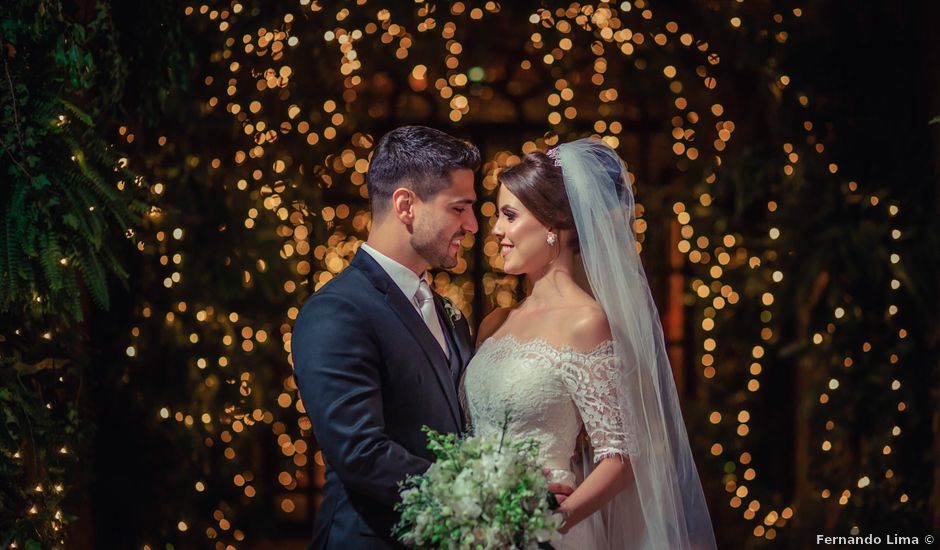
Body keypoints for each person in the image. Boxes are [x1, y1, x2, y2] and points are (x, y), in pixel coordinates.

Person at [462, 138, 717, 549]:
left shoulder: (587, 323)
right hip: (474, 526)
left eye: (509, 215)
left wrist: (554, 521)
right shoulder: (494, 322)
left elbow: (621, 456)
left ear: (551, 226)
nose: (496, 230)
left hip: (546, 530)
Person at [291, 125, 481, 549]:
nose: (472, 224)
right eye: (459, 208)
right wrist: (479, 496)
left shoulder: (448, 312)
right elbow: (361, 453)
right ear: (406, 205)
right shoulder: (337, 312)